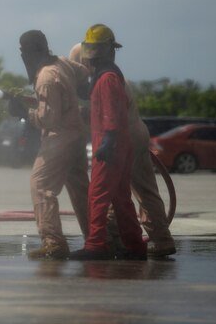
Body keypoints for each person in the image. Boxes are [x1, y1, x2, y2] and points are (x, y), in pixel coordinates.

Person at [69, 43, 176, 258]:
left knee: (107, 191)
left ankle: (108, 242)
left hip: (121, 137)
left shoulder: (105, 79)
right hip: (134, 133)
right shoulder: (111, 77)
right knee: (139, 190)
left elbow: (108, 113)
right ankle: (160, 240)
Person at [8, 30, 90, 260]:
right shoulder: (62, 63)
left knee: (41, 184)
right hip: (77, 135)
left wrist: (25, 112)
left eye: (23, 51)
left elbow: (48, 119)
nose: (23, 56)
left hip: (60, 137)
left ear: (31, 51)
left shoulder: (45, 77)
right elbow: (83, 73)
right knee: (81, 189)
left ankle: (53, 243)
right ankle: (100, 237)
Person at [69, 24, 147, 260]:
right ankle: (135, 246)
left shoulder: (107, 78)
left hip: (111, 145)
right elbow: (103, 109)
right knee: (121, 198)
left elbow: (112, 113)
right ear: (111, 50)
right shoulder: (106, 75)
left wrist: (108, 140)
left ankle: (96, 245)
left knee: (97, 195)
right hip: (117, 143)